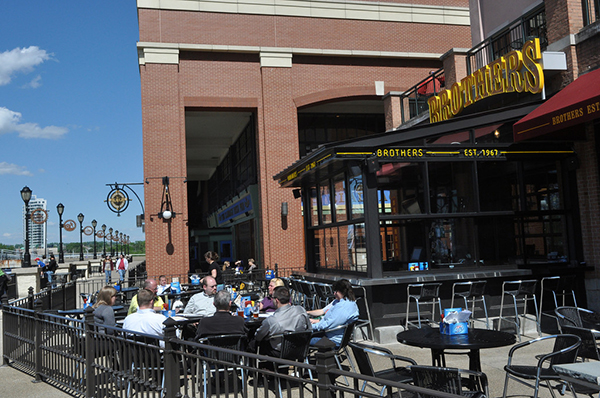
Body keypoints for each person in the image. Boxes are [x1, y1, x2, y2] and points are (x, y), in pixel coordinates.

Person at [251, 286, 311, 357]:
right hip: (300, 349)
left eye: (272, 298)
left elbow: (258, 337)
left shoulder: (272, 321)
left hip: (279, 352)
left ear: (276, 300)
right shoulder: (301, 310)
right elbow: (309, 329)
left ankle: (252, 366)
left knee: (252, 343)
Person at [308, 279, 359, 346]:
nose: (334, 293)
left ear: (342, 291)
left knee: (303, 341)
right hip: (333, 335)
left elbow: (327, 325)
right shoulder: (347, 302)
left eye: (336, 291)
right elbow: (326, 316)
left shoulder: (343, 307)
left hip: (333, 340)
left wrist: (309, 326)